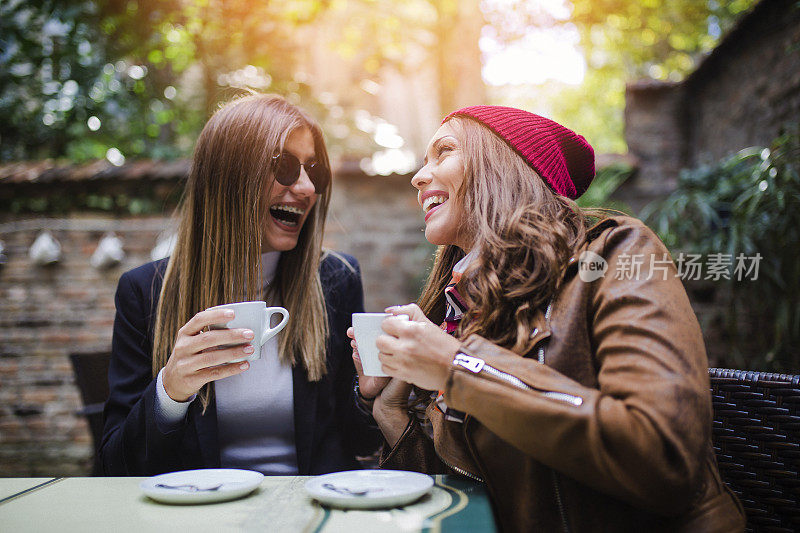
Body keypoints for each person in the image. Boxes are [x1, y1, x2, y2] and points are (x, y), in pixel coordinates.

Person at [349, 106, 745, 531]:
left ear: (504, 164)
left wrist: (456, 368)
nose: (418, 177)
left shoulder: (619, 254)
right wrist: (390, 408)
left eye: (444, 151)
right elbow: (468, 492)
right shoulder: (465, 305)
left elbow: (662, 460)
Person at [101, 93, 380, 476]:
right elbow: (116, 466)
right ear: (228, 177)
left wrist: (368, 396)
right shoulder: (145, 292)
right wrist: (171, 390)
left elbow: (360, 444)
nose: (306, 188)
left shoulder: (336, 279)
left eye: (313, 171)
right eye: (283, 166)